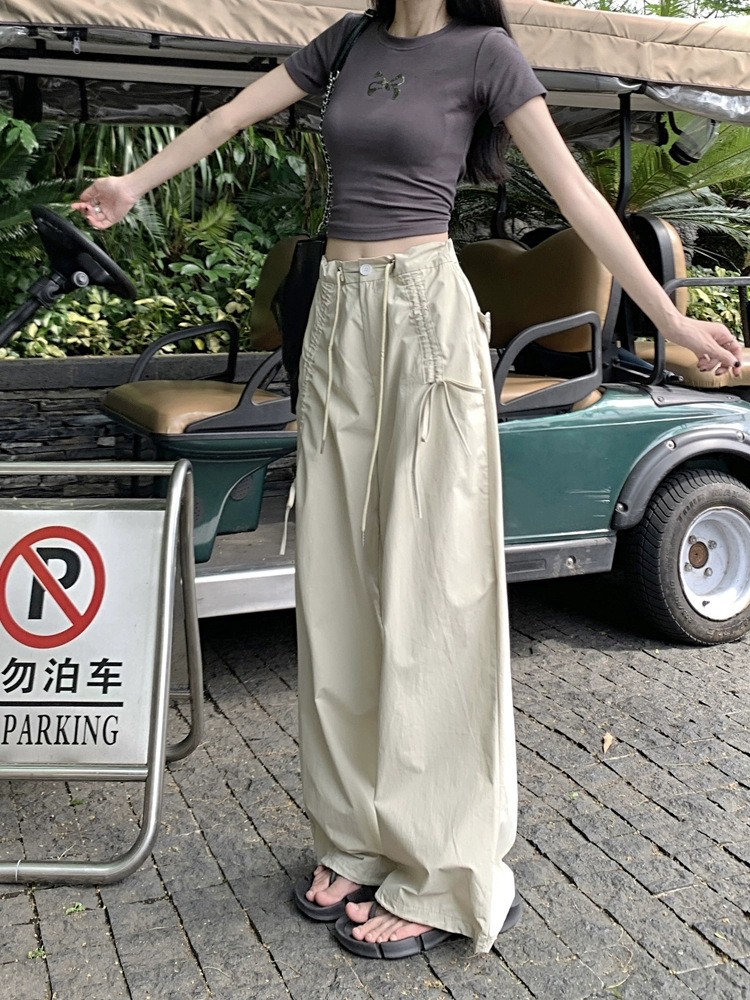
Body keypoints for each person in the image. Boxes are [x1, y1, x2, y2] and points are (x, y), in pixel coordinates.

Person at [74, 0, 742, 960]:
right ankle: (356, 835)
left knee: (433, 591)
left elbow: (578, 200)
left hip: (424, 315)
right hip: (337, 317)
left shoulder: (487, 54)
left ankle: (442, 868)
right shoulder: (348, 39)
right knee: (336, 581)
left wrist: (670, 321)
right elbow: (230, 118)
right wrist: (132, 184)